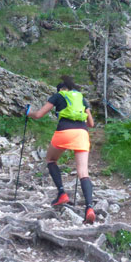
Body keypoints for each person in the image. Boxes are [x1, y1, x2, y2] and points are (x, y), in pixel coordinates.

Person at [27, 76, 96, 224]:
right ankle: (89, 208)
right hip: (82, 133)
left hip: (64, 132)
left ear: (61, 89)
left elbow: (39, 115)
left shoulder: (58, 95)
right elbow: (91, 123)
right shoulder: (81, 98)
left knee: (51, 159)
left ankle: (61, 193)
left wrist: (28, 113)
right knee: (83, 173)